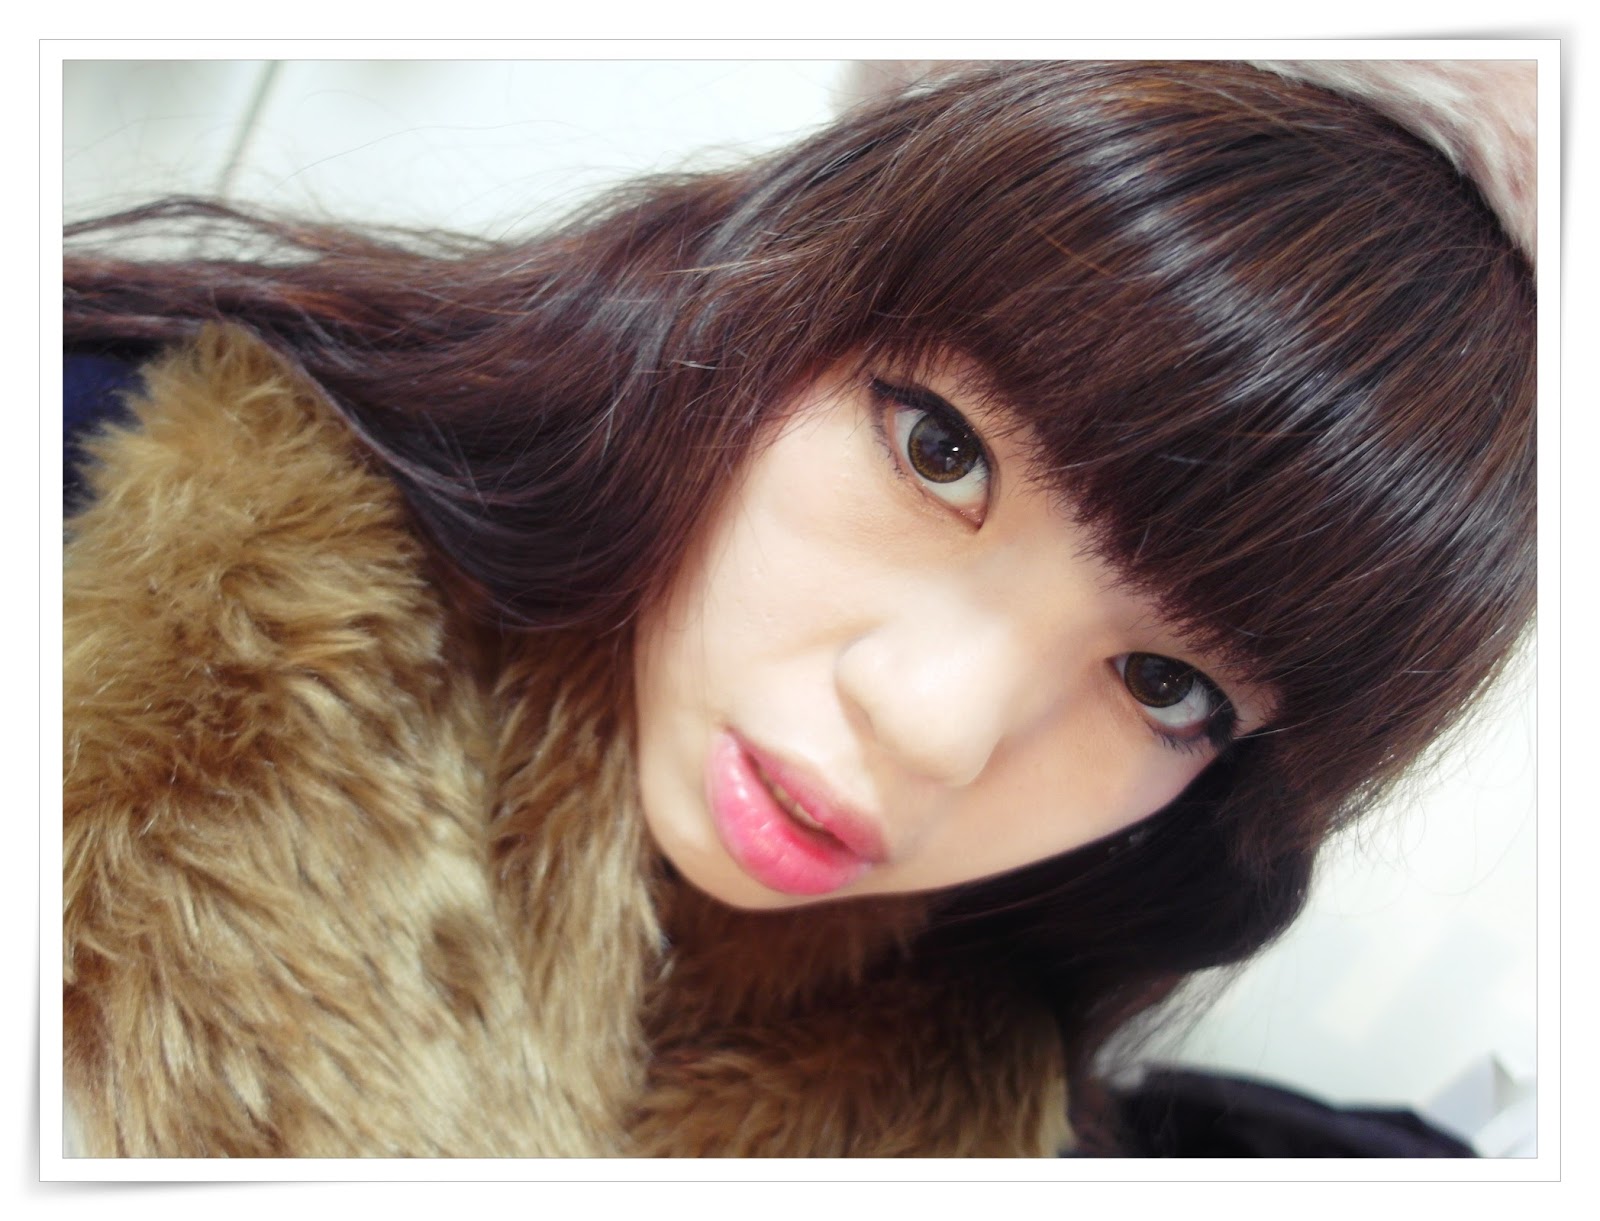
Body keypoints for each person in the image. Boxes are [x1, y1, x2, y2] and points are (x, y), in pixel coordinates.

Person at [62, 59, 1537, 1157]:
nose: (932, 726)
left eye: (1167, 684)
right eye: (940, 452)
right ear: (777, 299)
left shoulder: (975, 1131)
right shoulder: (84, 518)